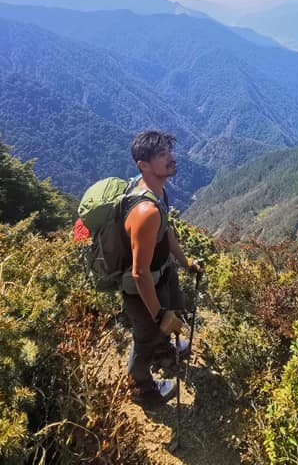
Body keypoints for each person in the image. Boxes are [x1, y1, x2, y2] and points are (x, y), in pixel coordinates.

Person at [120, 130, 203, 406]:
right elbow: (139, 273)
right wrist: (157, 315)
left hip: (161, 274)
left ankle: (164, 349)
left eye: (169, 151)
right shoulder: (146, 212)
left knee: (173, 310)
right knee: (145, 338)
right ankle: (143, 390)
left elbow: (167, 232)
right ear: (142, 165)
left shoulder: (158, 194)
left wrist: (185, 262)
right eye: (161, 155)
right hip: (142, 289)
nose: (171, 158)